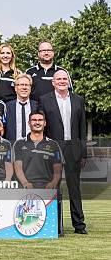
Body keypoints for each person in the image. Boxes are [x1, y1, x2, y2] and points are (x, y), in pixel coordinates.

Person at [39, 70, 87, 234]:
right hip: (53, 149)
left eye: (64, 79)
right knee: (54, 187)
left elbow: (82, 128)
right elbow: (41, 127)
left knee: (74, 188)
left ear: (69, 81)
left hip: (73, 149)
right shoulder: (44, 100)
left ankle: (79, 225)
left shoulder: (78, 100)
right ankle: (55, 226)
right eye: (58, 79)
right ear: (53, 82)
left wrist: (83, 152)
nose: (62, 81)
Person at [12, 111, 63, 233]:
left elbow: (58, 169)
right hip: (26, 186)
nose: (37, 122)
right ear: (29, 123)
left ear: (45, 123)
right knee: (23, 226)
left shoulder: (53, 144)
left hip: (47, 186)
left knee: (51, 230)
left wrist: (53, 183)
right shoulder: (19, 144)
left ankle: (56, 228)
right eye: (34, 120)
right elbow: (17, 167)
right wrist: (25, 183)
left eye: (40, 120)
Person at [5, 73, 38, 141]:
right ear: (15, 88)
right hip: (13, 146)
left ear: (30, 88)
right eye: (21, 85)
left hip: (33, 146)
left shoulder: (37, 106)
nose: (24, 87)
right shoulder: (7, 107)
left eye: (27, 85)